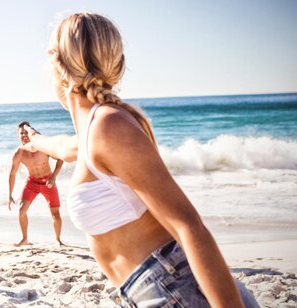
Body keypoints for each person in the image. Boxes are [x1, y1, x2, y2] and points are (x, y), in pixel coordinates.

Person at [24, 13, 259, 307]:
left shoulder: (109, 127)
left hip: (176, 290)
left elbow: (188, 226)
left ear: (58, 69)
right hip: (154, 290)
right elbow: (64, 146)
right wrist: (34, 138)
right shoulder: (93, 131)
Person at [8, 121, 64, 247]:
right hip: (32, 182)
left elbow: (60, 158)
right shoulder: (19, 153)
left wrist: (54, 176)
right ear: (18, 136)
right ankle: (25, 239)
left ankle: (58, 240)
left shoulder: (42, 147)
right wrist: (10, 194)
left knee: (55, 213)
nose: (24, 135)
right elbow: (12, 174)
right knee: (22, 211)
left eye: (26, 132)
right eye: (21, 133)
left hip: (48, 181)